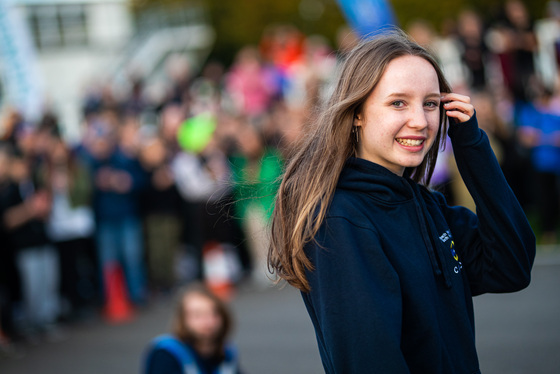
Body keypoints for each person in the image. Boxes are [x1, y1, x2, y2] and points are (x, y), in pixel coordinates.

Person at [268, 29, 536, 374]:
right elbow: (370, 361)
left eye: (431, 103)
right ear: (358, 112)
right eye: (398, 102)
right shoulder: (340, 220)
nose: (421, 121)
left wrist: (472, 146)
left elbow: (511, 268)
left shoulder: (427, 207)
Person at [143, 283, 241, 374]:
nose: (208, 321)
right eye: (197, 315)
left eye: (214, 314)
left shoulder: (227, 352)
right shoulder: (167, 353)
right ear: (183, 319)